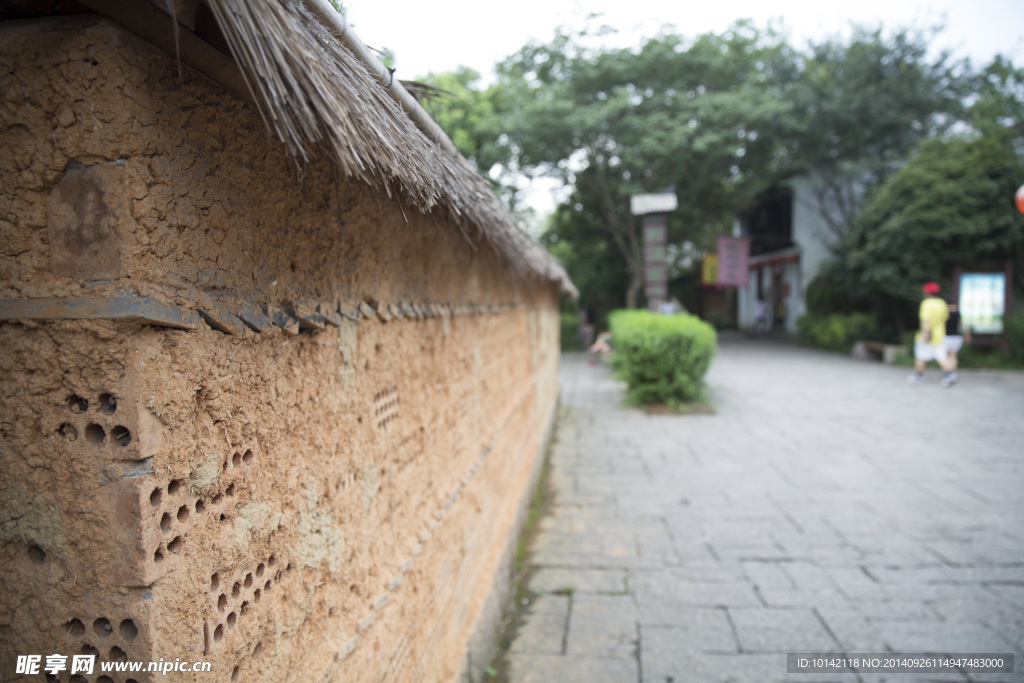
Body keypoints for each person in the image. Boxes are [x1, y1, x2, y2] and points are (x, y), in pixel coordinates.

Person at [908, 282, 956, 387]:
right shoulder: (942, 303)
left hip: (927, 335)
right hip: (940, 336)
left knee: (921, 357)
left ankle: (918, 376)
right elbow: (945, 319)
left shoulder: (926, 303)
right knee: (942, 356)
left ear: (928, 292)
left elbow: (925, 320)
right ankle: (950, 375)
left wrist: (926, 333)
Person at [944, 300, 972, 373]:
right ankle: (953, 372)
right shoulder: (957, 314)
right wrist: (967, 335)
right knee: (953, 356)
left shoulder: (945, 314)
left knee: (946, 356)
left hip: (946, 337)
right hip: (956, 337)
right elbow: (963, 326)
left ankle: (948, 372)